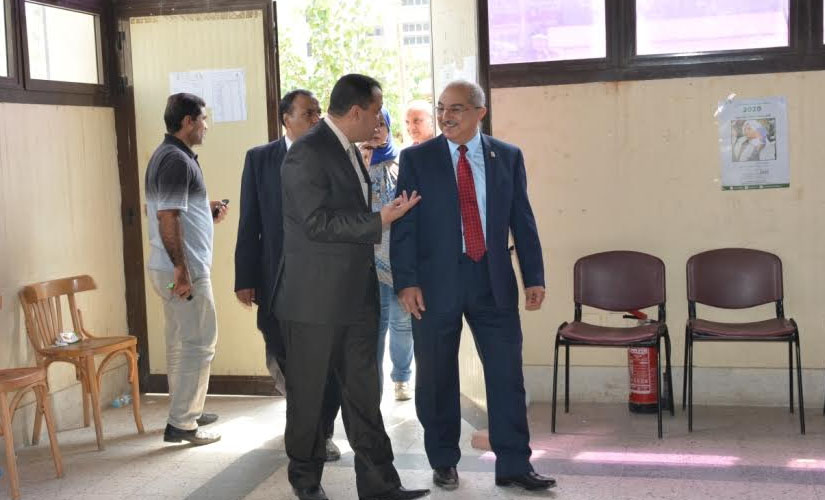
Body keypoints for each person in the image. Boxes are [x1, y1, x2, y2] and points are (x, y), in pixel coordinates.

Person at [391, 80, 556, 492]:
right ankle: (444, 460)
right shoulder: (417, 159)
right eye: (441, 108)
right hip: (435, 284)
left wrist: (534, 277)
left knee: (506, 375)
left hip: (492, 280)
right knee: (437, 377)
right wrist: (406, 282)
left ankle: (514, 463)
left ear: (480, 112)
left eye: (456, 109)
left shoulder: (507, 157)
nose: (445, 117)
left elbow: (523, 220)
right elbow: (404, 225)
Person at [275, 73, 429, 500]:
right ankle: (306, 483)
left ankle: (381, 486)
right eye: (377, 111)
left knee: (363, 396)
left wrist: (381, 215)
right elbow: (316, 223)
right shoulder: (307, 152)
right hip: (314, 303)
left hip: (357, 298)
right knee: (309, 399)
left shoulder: (350, 150)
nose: (380, 120)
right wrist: (380, 219)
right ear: (357, 111)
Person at [234, 89, 342, 461]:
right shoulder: (260, 159)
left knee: (326, 363)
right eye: (308, 113)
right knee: (282, 355)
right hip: (276, 279)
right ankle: (303, 422)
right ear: (286, 118)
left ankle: (319, 433)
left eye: (318, 112)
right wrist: (245, 277)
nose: (316, 119)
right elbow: (250, 222)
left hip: (322, 280)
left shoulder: (332, 156)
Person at [145, 93, 228, 446]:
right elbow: (167, 217)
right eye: (203, 119)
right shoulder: (176, 160)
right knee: (199, 341)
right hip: (181, 271)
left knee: (182, 341)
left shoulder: (169, 155)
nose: (206, 126)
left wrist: (204, 209)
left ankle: (186, 409)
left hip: (169, 268)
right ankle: (183, 422)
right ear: (188, 121)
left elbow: (173, 209)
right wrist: (182, 269)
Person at [359, 108, 414, 402]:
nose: (377, 129)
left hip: (399, 256)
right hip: (368, 259)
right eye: (373, 123)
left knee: (402, 323)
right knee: (375, 325)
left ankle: (402, 378)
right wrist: (363, 162)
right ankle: (373, 387)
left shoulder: (404, 161)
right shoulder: (354, 161)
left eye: (383, 124)